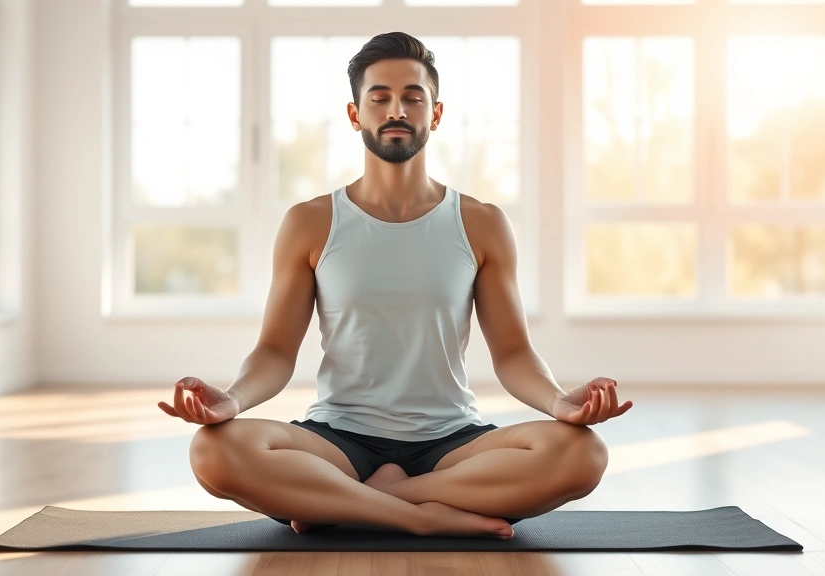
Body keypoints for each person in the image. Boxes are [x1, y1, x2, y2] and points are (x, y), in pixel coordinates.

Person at [158, 31, 632, 540]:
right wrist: (231, 400)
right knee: (212, 450)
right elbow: (275, 350)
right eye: (379, 98)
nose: (396, 110)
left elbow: (513, 353)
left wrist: (561, 403)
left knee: (583, 453)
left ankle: (350, 505)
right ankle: (423, 516)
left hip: (451, 443)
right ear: (355, 113)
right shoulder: (310, 222)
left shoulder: (482, 223)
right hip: (337, 442)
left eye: (413, 97)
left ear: (436, 112)